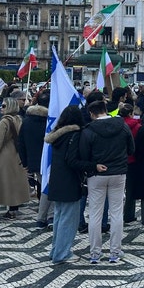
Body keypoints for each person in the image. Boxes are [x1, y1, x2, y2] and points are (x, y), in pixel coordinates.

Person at [45, 105, 108, 264]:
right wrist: (93, 166)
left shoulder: (57, 136)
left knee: (59, 217)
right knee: (68, 220)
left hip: (57, 180)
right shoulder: (75, 135)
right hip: (69, 181)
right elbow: (73, 161)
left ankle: (56, 251)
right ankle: (62, 254)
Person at [79, 99, 135, 264]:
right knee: (116, 212)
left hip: (97, 175)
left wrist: (93, 165)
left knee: (95, 214)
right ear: (106, 109)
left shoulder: (88, 130)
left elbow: (83, 154)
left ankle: (95, 253)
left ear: (91, 114)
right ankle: (115, 251)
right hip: (119, 173)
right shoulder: (122, 126)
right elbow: (131, 149)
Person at [0, 98, 29, 223]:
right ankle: (12, 211)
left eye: (3, 106)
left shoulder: (4, 122)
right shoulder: (19, 119)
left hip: (4, 156)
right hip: (16, 155)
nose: (0, 108)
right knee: (13, 184)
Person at [17, 91, 53, 227]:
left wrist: (25, 162)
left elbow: (21, 143)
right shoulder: (51, 121)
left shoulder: (27, 121)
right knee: (48, 188)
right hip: (49, 160)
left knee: (45, 187)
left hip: (34, 161)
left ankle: (46, 217)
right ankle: (46, 217)